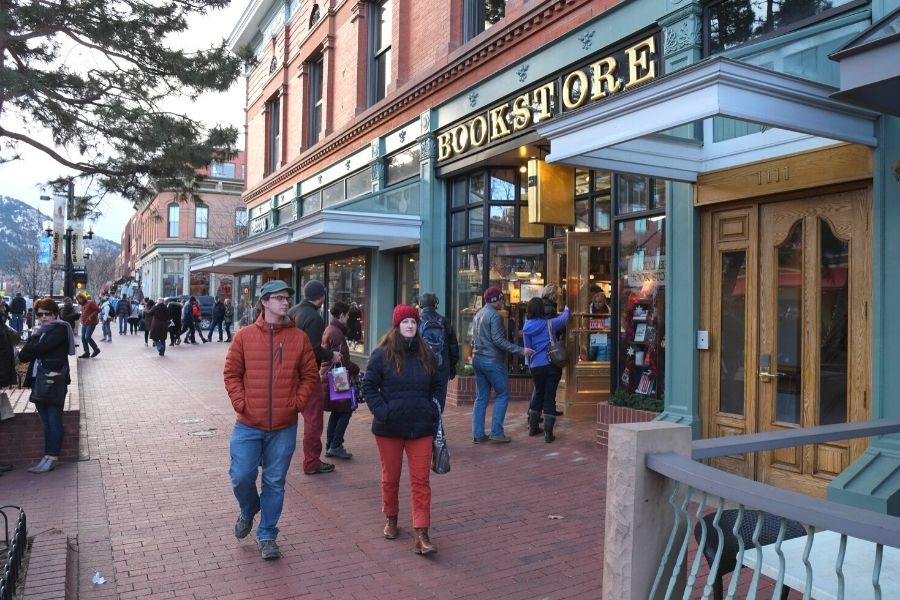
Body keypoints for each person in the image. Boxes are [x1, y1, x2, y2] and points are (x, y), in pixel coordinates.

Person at [224, 280, 319, 560]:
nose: (285, 302)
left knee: (275, 482)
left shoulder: (298, 338)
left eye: (287, 298)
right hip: (248, 424)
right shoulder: (244, 337)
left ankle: (267, 534)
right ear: (264, 302)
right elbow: (231, 374)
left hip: (283, 426)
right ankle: (248, 509)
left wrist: (296, 404)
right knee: (241, 476)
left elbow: (310, 375)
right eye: (278, 298)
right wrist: (242, 403)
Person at [361, 305, 441, 555]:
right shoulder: (381, 354)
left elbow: (437, 387)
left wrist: (432, 409)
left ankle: (421, 533)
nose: (409, 326)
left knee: (421, 481)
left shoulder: (426, 354)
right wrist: (383, 412)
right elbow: (369, 387)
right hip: (389, 428)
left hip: (421, 426)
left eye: (413, 322)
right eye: (405, 322)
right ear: (397, 325)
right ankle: (391, 518)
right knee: (390, 477)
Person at [289, 280, 342, 475]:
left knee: (285, 417)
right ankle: (311, 462)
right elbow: (313, 348)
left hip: (289, 373)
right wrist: (331, 355)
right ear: (321, 296)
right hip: (307, 374)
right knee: (313, 420)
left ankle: (269, 457)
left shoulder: (294, 311)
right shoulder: (314, 317)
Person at [17, 297, 76, 473]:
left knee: (53, 420)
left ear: (55, 313)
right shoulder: (40, 331)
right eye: (40, 314)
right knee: (46, 422)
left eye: (47, 314)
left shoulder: (59, 328)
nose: (43, 317)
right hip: (39, 380)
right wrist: (31, 345)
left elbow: (39, 349)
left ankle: (52, 456)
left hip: (54, 381)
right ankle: (47, 456)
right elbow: (25, 356)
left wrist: (31, 344)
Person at [470, 287, 534, 443]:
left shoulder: (478, 314)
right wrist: (521, 350)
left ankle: (478, 435)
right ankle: (496, 432)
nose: (502, 302)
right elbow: (499, 341)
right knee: (502, 394)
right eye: (500, 299)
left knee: (481, 398)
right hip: (492, 361)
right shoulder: (494, 316)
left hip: (478, 359)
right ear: (494, 300)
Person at [523, 297, 570, 442]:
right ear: (541, 309)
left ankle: (533, 427)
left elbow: (527, 349)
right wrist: (567, 306)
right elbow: (564, 319)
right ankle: (548, 434)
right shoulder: (549, 324)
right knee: (550, 396)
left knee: (538, 393)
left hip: (536, 365)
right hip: (551, 364)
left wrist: (529, 365)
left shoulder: (526, 327)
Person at [322, 301, 360, 460]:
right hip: (339, 377)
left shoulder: (330, 329)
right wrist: (356, 369)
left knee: (337, 412)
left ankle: (331, 444)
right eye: (347, 315)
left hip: (331, 375)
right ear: (342, 315)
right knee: (345, 410)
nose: (349, 317)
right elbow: (342, 359)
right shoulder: (337, 333)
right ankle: (335, 445)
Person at [417, 292, 460, 411]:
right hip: (442, 367)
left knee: (422, 398)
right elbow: (453, 347)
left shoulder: (416, 322)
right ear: (436, 304)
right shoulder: (444, 321)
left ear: (421, 304)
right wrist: (452, 367)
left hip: (421, 366)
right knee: (439, 400)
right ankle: (437, 425)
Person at [76, 293, 101, 358]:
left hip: (91, 323)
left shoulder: (90, 302)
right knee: (83, 338)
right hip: (84, 323)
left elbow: (97, 309)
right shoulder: (82, 305)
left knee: (87, 337)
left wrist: (91, 317)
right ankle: (86, 352)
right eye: (78, 299)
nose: (79, 300)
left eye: (80, 299)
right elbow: (83, 313)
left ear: (83, 298)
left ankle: (96, 350)